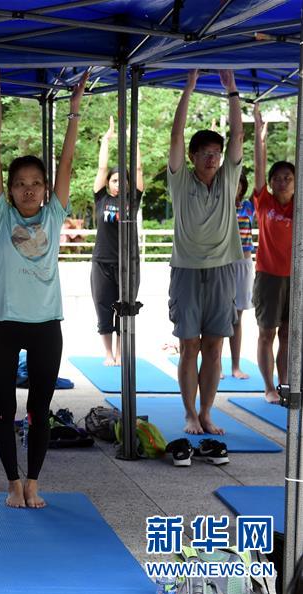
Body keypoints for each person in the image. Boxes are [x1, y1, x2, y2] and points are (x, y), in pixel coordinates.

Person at [0, 72, 87, 509]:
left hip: (47, 324)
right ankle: (12, 481)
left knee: (39, 409)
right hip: (4, 325)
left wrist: (75, 108)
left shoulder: (52, 217)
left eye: (36, 183)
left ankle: (34, 482)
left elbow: (66, 162)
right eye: (20, 183)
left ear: (46, 191)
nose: (29, 189)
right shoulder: (1, 218)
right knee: (6, 409)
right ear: (9, 191)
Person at [167, 69, 244, 435]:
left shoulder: (229, 178)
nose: (212, 158)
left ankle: (208, 411)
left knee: (215, 347)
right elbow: (175, 136)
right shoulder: (181, 179)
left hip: (224, 267)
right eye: (206, 153)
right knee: (189, 345)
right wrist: (189, 88)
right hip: (186, 268)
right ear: (194, 156)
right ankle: (189, 413)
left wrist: (231, 91)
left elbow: (239, 135)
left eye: (217, 153)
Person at [90, 115, 145, 366]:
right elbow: (102, 168)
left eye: (122, 179)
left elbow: (138, 169)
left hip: (127, 262)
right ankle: (108, 354)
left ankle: (122, 353)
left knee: (125, 308)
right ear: (108, 183)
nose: (117, 183)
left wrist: (133, 140)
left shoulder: (132, 199)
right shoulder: (101, 199)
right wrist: (106, 140)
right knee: (103, 307)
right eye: (113, 179)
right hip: (102, 261)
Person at [252, 103, 295, 404]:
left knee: (289, 335)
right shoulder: (263, 202)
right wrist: (259, 133)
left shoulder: (299, 205)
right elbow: (257, 165)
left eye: (288, 178)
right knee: (267, 333)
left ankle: (284, 385)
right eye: (277, 177)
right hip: (268, 277)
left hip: (295, 277)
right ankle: (267, 386)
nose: (282, 181)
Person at [229, 171, 253, 379]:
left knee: (237, 317)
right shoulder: (219, 205)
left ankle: (235, 366)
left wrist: (260, 142)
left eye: (238, 183)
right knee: (218, 317)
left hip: (243, 263)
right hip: (223, 263)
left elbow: (261, 186)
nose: (234, 187)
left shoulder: (248, 206)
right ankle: (215, 364)